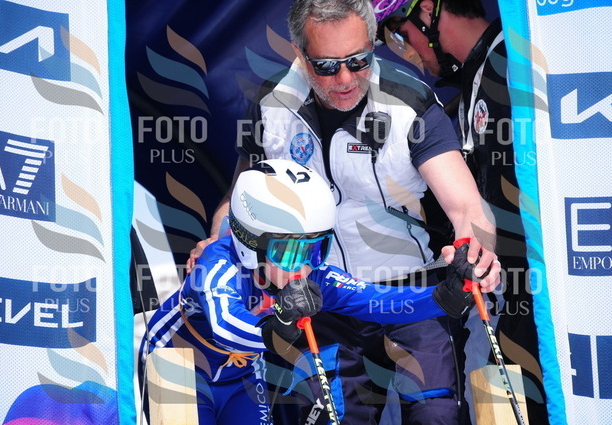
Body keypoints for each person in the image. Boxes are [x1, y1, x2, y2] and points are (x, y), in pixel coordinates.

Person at [187, 1, 500, 424]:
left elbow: (465, 205)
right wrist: (218, 241)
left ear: (371, 44)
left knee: (436, 415)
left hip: (409, 289)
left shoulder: (407, 101)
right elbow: (241, 198)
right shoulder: (272, 104)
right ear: (299, 53)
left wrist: (476, 249)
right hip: (318, 295)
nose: (346, 78)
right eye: (326, 66)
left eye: (359, 60)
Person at [141, 159, 498, 425]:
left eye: (316, 248)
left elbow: (377, 301)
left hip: (240, 376)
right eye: (290, 251)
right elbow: (225, 325)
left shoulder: (314, 273)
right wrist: (277, 327)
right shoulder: (218, 264)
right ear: (251, 243)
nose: (304, 266)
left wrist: (443, 297)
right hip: (181, 367)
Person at [372, 1, 549, 423]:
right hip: (499, 295)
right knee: (492, 411)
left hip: (537, 298)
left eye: (401, 35)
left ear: (427, 11)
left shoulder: (515, 57)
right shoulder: (475, 74)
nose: (407, 51)